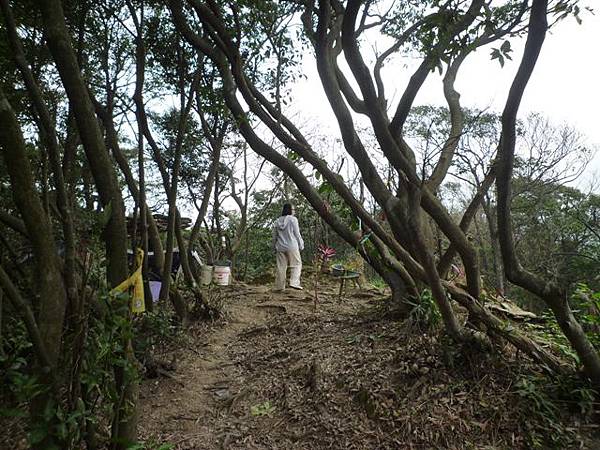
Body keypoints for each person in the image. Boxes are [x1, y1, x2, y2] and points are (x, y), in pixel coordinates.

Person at [272, 203, 304, 291]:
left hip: (280, 247)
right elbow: (297, 234)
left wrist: (273, 247)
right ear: (289, 210)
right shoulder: (293, 220)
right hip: (292, 246)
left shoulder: (277, 221)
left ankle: (279, 287)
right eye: (293, 210)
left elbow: (274, 237)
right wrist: (301, 244)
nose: (294, 212)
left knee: (281, 267)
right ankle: (294, 283)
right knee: (297, 264)